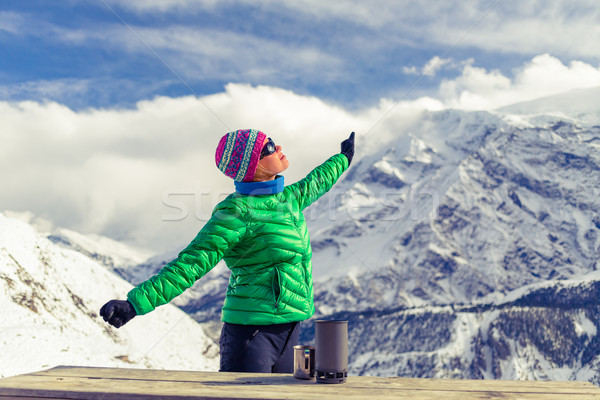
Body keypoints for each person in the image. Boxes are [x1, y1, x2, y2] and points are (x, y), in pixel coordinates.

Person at [100, 129, 355, 373]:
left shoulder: (288, 200)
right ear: (254, 166)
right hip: (252, 335)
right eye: (269, 147)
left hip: (290, 328)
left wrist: (342, 158)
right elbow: (191, 263)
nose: (278, 148)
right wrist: (134, 304)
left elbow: (317, 182)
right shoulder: (235, 213)